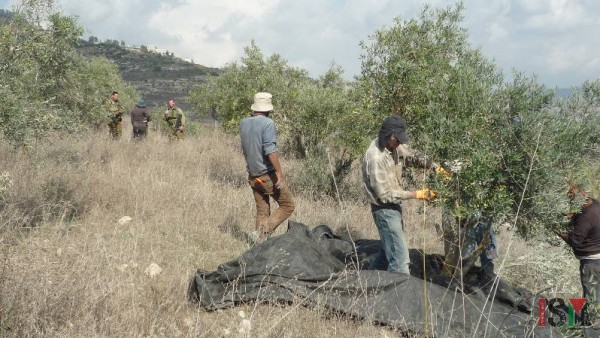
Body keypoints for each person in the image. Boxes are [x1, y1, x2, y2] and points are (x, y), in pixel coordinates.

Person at [361, 115, 442, 274]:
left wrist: (435, 166)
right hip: (384, 210)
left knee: (386, 253)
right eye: (397, 139)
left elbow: (411, 155)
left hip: (394, 207)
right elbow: (384, 195)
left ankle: (368, 284)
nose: (399, 143)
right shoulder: (375, 157)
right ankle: (397, 296)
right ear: (389, 135)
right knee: (400, 260)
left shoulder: (393, 146)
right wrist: (417, 194)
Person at [240, 92, 295, 244]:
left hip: (252, 175)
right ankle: (261, 234)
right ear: (268, 109)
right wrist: (279, 174)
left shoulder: (244, 122)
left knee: (262, 211)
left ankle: (257, 247)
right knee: (288, 205)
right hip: (266, 175)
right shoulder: (268, 124)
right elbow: (270, 150)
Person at [558, 185, 600, 304]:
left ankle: (590, 322)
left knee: (592, 299)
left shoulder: (586, 217)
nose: (570, 202)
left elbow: (575, 241)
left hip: (593, 263)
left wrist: (558, 230)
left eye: (571, 199)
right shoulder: (596, 205)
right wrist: (574, 215)